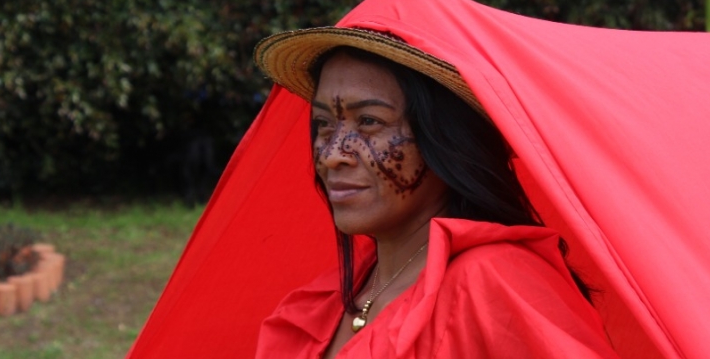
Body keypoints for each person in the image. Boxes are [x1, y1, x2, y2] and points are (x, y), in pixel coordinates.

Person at [252, 29, 620, 358]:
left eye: (369, 122)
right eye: (323, 125)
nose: (333, 154)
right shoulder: (328, 301)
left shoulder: (496, 280)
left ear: (445, 140)